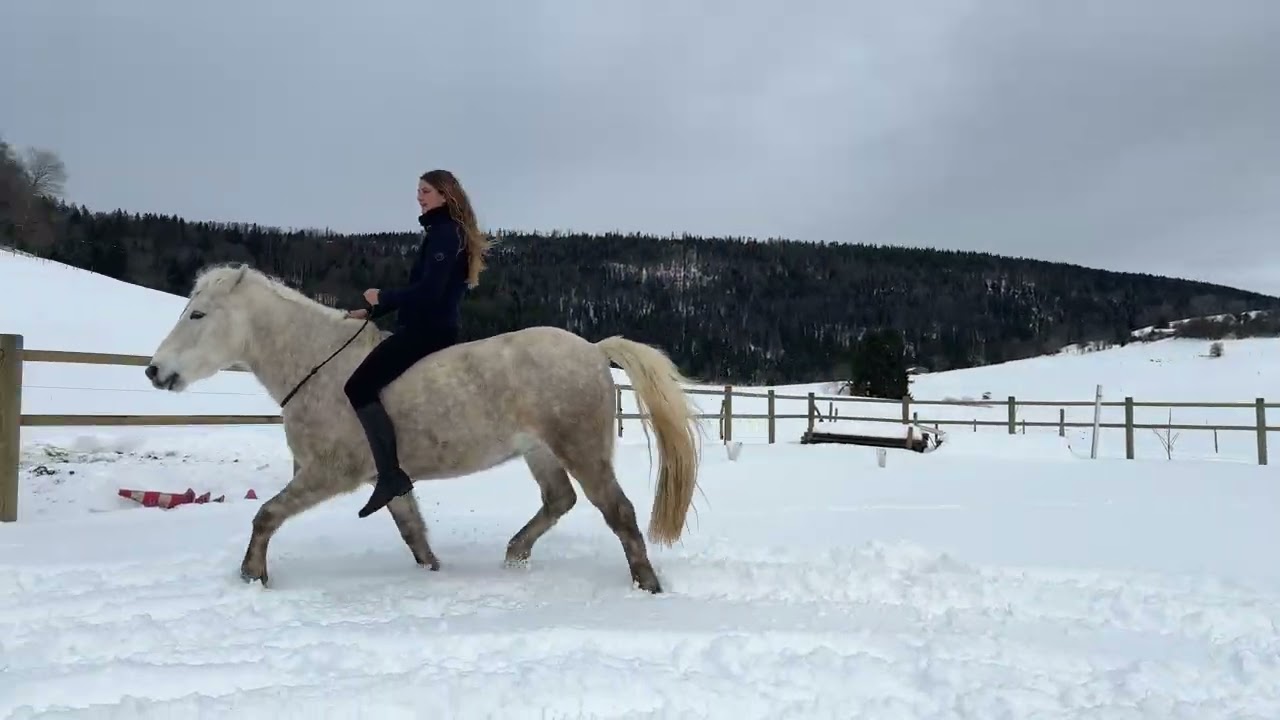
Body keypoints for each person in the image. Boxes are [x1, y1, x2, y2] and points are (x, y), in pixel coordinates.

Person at [342, 169, 491, 518]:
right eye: (418, 191)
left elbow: (428, 293)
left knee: (358, 387)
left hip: (428, 331)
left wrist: (383, 295)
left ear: (445, 195)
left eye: (426, 191)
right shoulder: (444, 232)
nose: (419, 196)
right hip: (427, 327)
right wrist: (371, 312)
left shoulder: (444, 234)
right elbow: (422, 291)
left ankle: (390, 475)